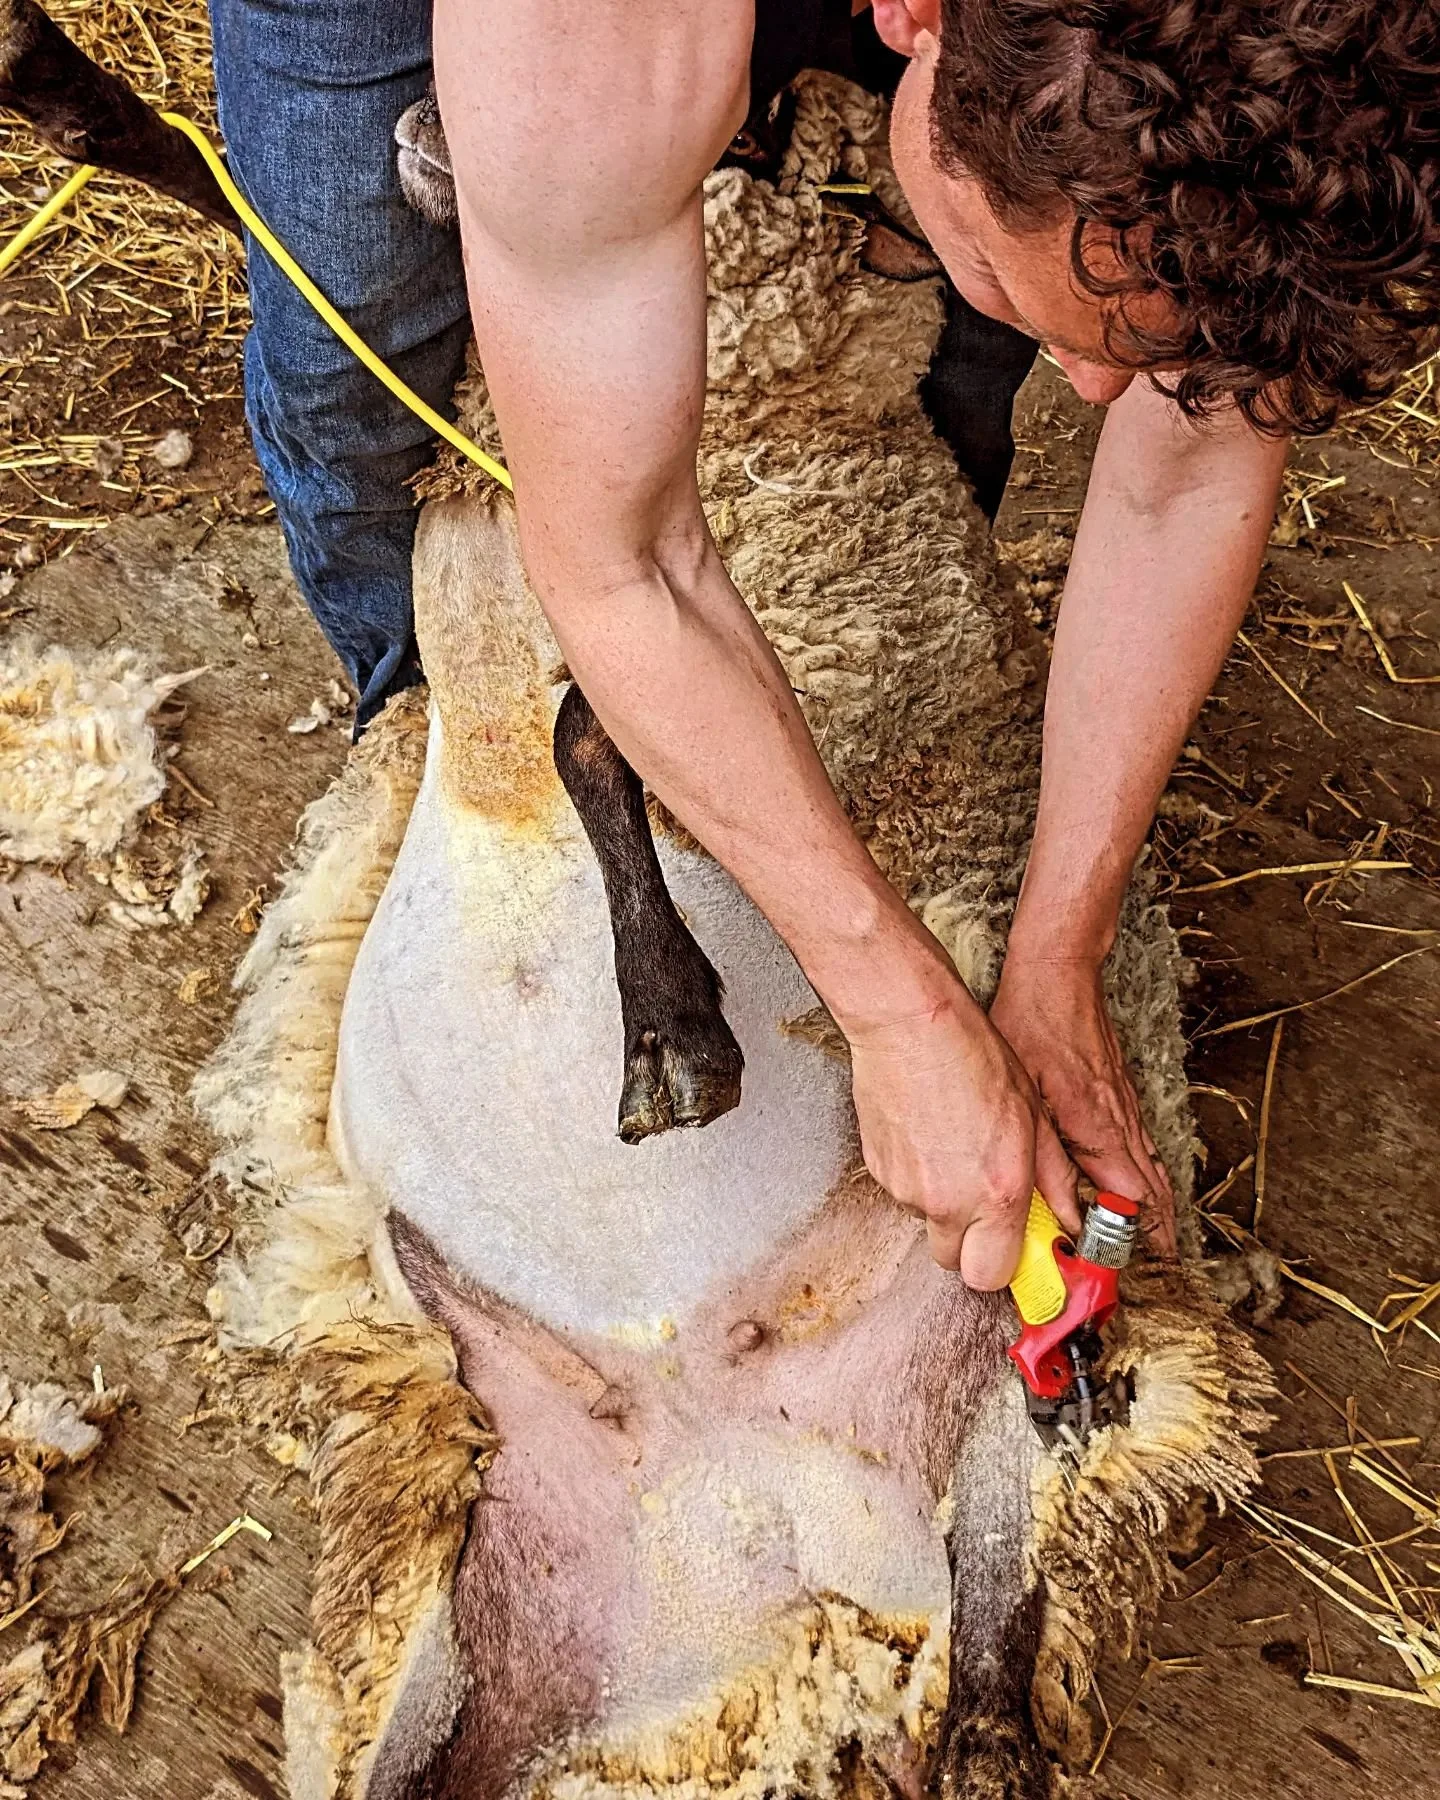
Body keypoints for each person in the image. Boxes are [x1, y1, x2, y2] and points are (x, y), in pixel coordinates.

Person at [210, 0, 1439, 1288]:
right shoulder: (591, 38)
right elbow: (632, 559)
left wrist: (1057, 956)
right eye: (1084, 325)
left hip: (967, 94)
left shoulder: (1314, 66)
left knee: (952, 358)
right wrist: (896, 1012)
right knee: (366, 331)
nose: (1095, 394)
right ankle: (415, 740)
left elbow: (1187, 467)